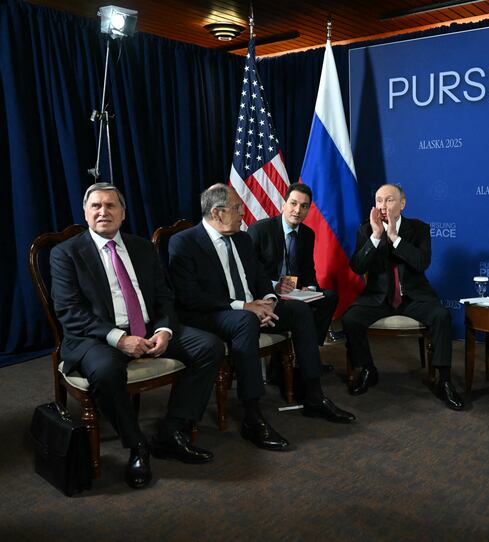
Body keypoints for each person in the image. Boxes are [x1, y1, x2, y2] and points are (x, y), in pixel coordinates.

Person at [50, 183, 224, 490]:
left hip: (148, 328)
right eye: (96, 206)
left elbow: (164, 296)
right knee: (105, 371)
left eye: (111, 206)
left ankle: (172, 430)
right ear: (85, 213)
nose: (103, 211)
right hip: (96, 337)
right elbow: (70, 312)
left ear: (123, 213)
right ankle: (137, 445)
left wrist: (164, 330)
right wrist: (118, 337)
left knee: (209, 347)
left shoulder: (142, 247)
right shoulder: (66, 253)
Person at [168, 184, 355, 452]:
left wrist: (268, 302)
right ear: (217, 213)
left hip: (252, 306)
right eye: (237, 208)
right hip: (211, 314)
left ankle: (314, 395)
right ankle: (252, 415)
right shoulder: (184, 242)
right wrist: (245, 307)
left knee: (300, 312)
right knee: (246, 322)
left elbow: (258, 278)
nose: (244, 212)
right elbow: (190, 296)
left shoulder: (242, 239)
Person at [341, 183, 464, 410]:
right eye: (379, 200)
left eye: (389, 200)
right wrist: (377, 235)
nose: (383, 206)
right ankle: (368, 369)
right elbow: (357, 267)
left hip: (413, 298)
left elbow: (421, 262)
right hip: (379, 298)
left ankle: (444, 380)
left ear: (402, 204)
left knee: (441, 316)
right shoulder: (366, 230)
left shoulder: (419, 229)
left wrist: (395, 238)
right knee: (350, 320)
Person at [248, 182, 338, 353]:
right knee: (301, 310)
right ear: (284, 204)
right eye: (294, 203)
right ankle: (299, 357)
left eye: (304, 206)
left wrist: (310, 288)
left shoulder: (307, 234)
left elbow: (308, 269)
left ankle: (311, 351)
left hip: (295, 292)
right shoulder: (260, 230)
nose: (298, 210)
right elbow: (248, 273)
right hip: (267, 292)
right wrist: (275, 285)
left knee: (330, 297)